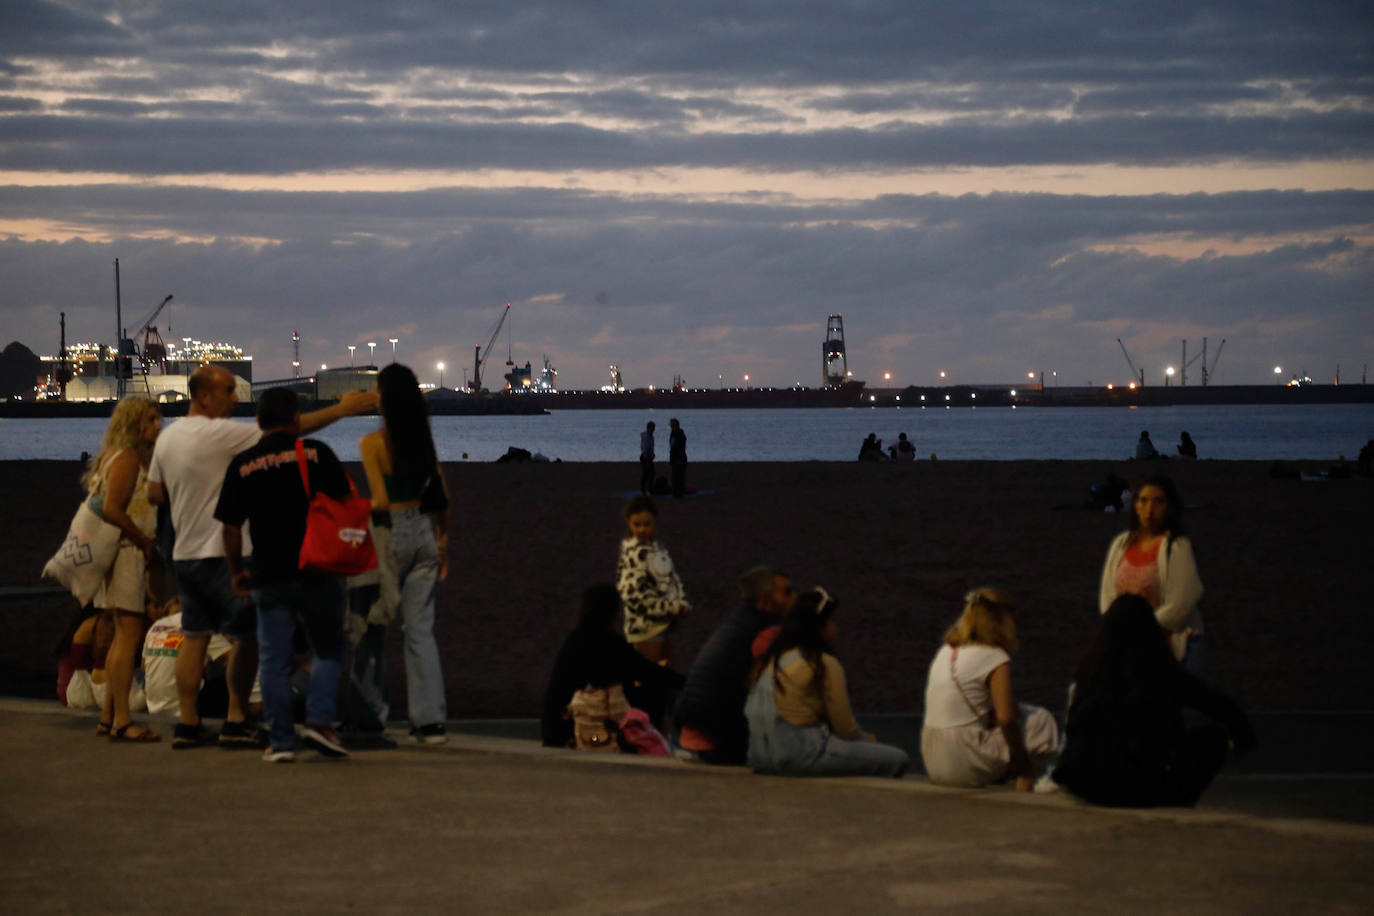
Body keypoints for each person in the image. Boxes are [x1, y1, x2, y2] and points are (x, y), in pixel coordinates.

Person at [148, 364, 376, 749]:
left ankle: (187, 724)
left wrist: (191, 493)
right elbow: (286, 433)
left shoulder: (168, 439)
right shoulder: (223, 434)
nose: (235, 398)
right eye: (227, 391)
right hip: (223, 553)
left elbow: (155, 493)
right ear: (203, 396)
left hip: (184, 554)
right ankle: (236, 719)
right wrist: (342, 410)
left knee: (195, 636)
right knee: (248, 639)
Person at [215, 387, 354, 762]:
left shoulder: (243, 464)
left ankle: (280, 741)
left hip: (267, 574)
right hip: (317, 568)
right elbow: (345, 506)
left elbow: (229, 528)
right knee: (327, 647)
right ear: (296, 420)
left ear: (259, 422)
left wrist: (235, 572)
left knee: (273, 660)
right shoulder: (317, 454)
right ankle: (320, 723)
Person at [1052, 595, 1255, 807]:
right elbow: (1213, 701)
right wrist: (1243, 738)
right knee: (1213, 737)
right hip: (1137, 785)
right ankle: (1177, 798)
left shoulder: (1091, 670)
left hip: (1083, 783)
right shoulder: (1157, 669)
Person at [358, 363, 451, 745]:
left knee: (371, 627)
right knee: (420, 631)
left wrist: (351, 510)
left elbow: (379, 499)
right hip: (424, 535)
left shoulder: (372, 443)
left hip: (390, 535)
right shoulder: (422, 440)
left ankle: (368, 716)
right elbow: (443, 495)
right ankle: (429, 722)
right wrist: (443, 544)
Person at [745, 587, 908, 777]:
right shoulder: (823, 663)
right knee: (897, 759)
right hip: (801, 754)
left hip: (761, 758)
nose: (835, 627)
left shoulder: (772, 660)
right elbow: (846, 729)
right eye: (832, 620)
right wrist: (868, 740)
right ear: (819, 626)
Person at [920, 588, 1058, 790]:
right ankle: (1027, 780)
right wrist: (1024, 768)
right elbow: (1006, 718)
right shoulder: (994, 657)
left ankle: (1004, 775)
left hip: (934, 760)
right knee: (1041, 720)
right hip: (964, 762)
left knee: (1017, 715)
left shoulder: (946, 650)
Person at [83, 395, 163, 742]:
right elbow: (114, 509)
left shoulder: (110, 457)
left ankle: (108, 717)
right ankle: (122, 721)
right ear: (134, 425)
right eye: (150, 420)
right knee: (129, 636)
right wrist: (144, 541)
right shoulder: (128, 459)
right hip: (126, 552)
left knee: (119, 635)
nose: (157, 426)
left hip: (110, 554)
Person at [674, 566, 796, 765]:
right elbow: (765, 688)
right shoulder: (768, 631)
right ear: (765, 600)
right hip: (719, 736)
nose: (794, 598)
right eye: (787, 593)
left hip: (690, 723)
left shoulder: (735, 622)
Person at [541, 584, 686, 748]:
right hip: (584, 733)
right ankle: (649, 742)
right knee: (654, 691)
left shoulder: (575, 640)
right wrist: (690, 683)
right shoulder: (608, 643)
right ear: (613, 613)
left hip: (556, 731)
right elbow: (647, 671)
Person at [1098, 474, 1204, 669]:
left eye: (1158, 502)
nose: (1149, 510)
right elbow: (1107, 594)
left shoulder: (1177, 547)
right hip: (1127, 645)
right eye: (1143, 500)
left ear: (1169, 507)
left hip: (1173, 647)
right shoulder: (1121, 544)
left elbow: (1184, 599)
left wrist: (1142, 630)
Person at [616, 496, 690, 663]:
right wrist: (673, 607)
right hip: (645, 627)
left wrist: (681, 601)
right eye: (637, 525)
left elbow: (671, 578)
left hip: (660, 624)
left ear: (655, 522)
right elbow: (635, 596)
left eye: (646, 524)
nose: (642, 529)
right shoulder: (633, 554)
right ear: (629, 523)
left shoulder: (657, 546)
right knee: (650, 681)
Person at [668, 418, 688, 498]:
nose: (672, 426)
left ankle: (679, 493)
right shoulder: (673, 433)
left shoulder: (680, 434)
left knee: (680, 476)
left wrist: (679, 458)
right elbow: (672, 447)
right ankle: (675, 493)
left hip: (680, 458)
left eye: (673, 424)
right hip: (674, 457)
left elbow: (681, 447)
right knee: (675, 476)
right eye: (671, 425)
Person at [638, 421, 656, 495]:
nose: (653, 430)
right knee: (647, 474)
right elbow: (645, 448)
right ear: (648, 428)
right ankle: (644, 490)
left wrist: (652, 454)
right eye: (652, 428)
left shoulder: (651, 436)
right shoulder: (646, 437)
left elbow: (650, 447)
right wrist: (647, 458)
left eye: (653, 428)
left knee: (650, 474)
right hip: (646, 457)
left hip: (649, 457)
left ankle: (649, 490)